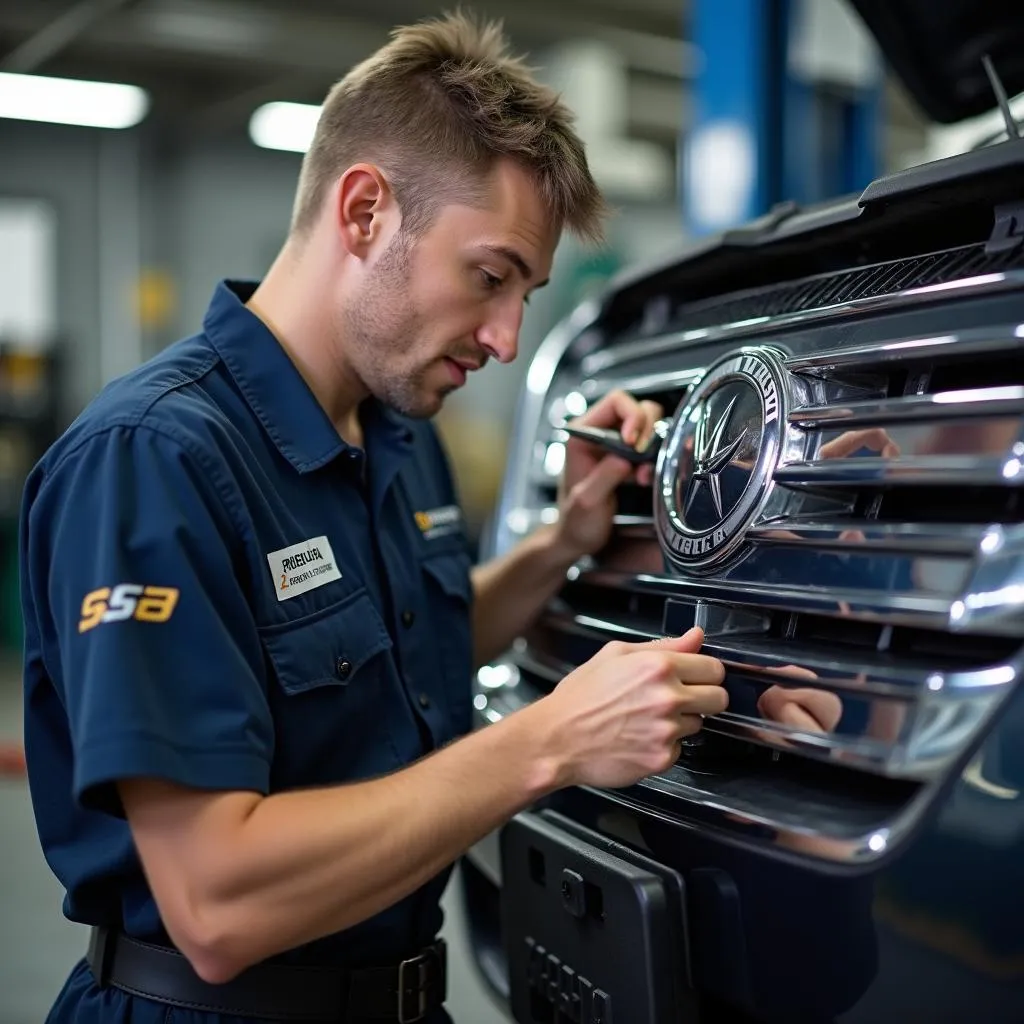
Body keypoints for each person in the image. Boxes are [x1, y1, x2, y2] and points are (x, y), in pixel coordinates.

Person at [18, 12, 728, 1023]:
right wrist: (548, 742)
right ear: (363, 213)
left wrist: (562, 543)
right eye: (488, 277)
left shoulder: (394, 426)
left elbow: (401, 645)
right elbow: (214, 901)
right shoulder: (156, 458)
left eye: (524, 293)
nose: (505, 338)